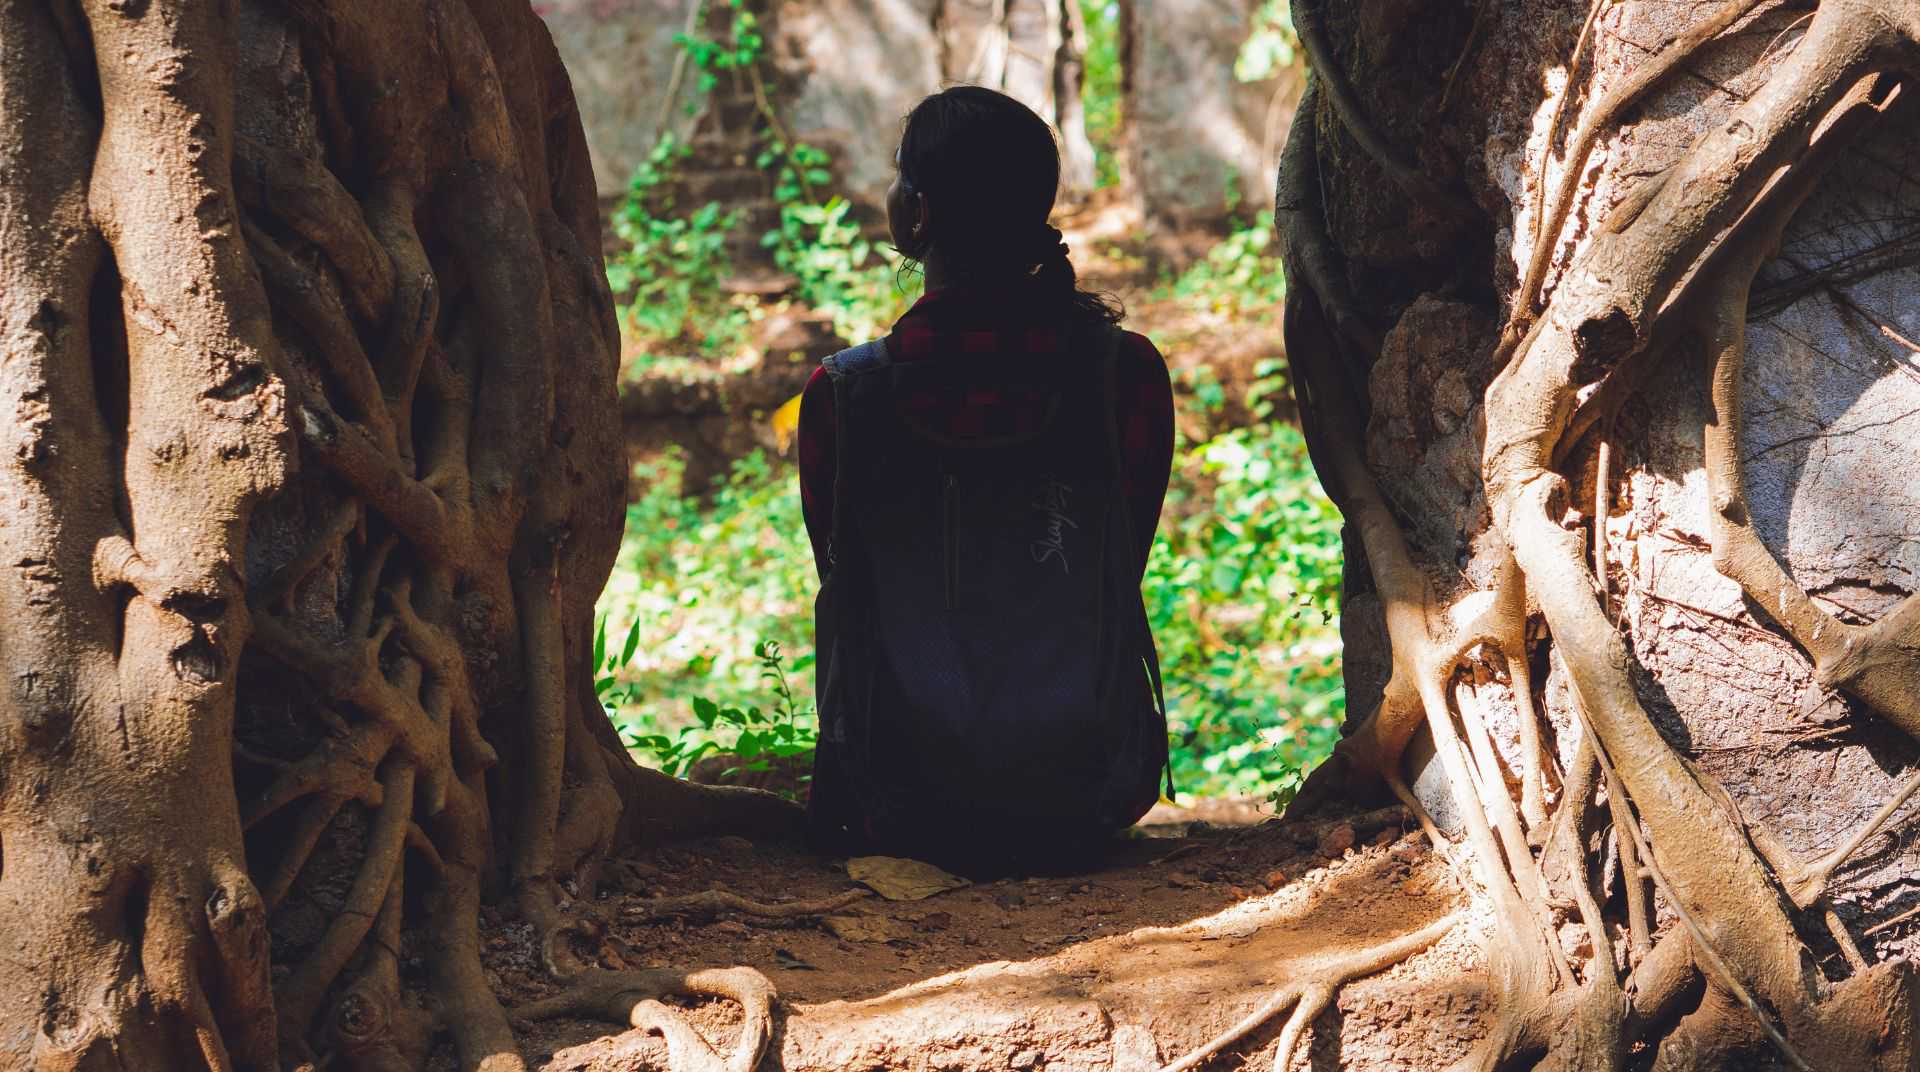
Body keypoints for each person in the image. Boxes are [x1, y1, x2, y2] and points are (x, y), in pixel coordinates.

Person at [797, 86, 1175, 873]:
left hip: (896, 801)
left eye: (901, 176)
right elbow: (1119, 560)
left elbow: (840, 575)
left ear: (921, 214)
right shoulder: (1124, 374)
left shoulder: (842, 395)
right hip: (1086, 791)